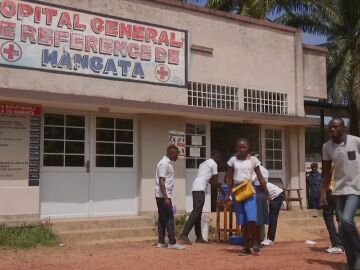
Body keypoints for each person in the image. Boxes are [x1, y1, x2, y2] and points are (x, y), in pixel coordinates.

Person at [321, 117, 360, 270]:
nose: (332, 130)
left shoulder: (355, 141)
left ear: (343, 128)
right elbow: (325, 173)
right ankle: (353, 264)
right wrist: (323, 193)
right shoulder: (327, 147)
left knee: (346, 220)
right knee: (343, 230)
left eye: (336, 127)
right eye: (330, 127)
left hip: (356, 188)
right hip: (339, 190)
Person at [226, 138, 270, 256]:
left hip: (249, 191)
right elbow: (229, 178)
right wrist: (227, 194)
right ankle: (246, 246)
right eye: (239, 147)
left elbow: (260, 177)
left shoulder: (253, 160)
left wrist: (267, 192)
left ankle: (256, 241)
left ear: (248, 147)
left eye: (244, 147)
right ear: (236, 148)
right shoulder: (232, 160)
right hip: (237, 192)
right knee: (242, 220)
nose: (242, 149)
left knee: (251, 218)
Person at [180, 151, 222, 244]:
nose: (219, 162)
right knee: (196, 212)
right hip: (200, 189)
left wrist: (217, 185)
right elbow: (214, 182)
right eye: (219, 159)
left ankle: (199, 237)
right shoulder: (214, 164)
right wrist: (222, 187)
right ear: (216, 157)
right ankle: (184, 234)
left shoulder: (204, 163)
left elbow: (209, 180)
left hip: (195, 187)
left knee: (197, 213)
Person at [155, 145, 185, 250]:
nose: (177, 157)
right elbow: (161, 181)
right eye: (177, 155)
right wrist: (166, 198)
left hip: (162, 195)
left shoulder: (167, 163)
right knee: (169, 218)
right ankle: (172, 242)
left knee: (162, 219)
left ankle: (161, 241)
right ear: (171, 153)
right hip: (164, 195)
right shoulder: (164, 163)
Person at [322, 171, 343, 254]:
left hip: (332, 191)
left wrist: (323, 195)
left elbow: (327, 177)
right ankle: (342, 244)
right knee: (341, 219)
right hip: (343, 192)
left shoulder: (332, 161)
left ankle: (337, 245)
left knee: (328, 216)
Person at [261, 182, 284, 246]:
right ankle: (268, 238)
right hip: (274, 196)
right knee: (271, 216)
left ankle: (271, 239)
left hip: (277, 195)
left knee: (273, 217)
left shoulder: (258, 182)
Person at [252, 161, 269, 242]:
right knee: (260, 216)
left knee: (257, 216)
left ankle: (257, 239)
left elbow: (261, 182)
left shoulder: (256, 170)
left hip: (257, 192)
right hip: (260, 193)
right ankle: (260, 238)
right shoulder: (265, 170)